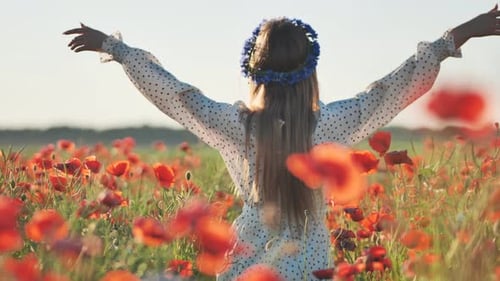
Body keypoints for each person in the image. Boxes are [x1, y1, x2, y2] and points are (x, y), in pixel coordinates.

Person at [64, 6, 500, 280]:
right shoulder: (331, 123)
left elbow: (178, 96)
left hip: (244, 264)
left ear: (254, 74)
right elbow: (390, 91)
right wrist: (453, 38)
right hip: (310, 265)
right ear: (311, 72)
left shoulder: (239, 126)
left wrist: (117, 50)